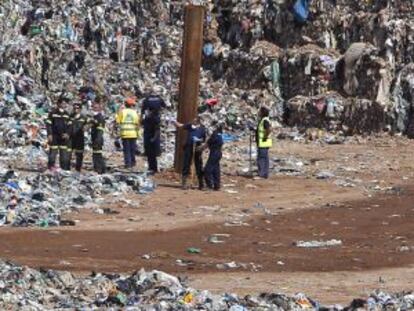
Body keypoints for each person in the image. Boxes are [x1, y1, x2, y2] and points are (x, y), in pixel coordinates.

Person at [173, 117, 206, 190]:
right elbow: (181, 125)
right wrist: (174, 121)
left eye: (194, 121)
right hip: (188, 147)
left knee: (199, 165)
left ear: (198, 122)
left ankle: (201, 183)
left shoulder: (202, 129)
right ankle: (184, 183)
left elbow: (204, 140)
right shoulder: (190, 126)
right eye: (193, 120)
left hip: (197, 148)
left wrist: (199, 140)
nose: (193, 122)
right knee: (186, 164)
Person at [46, 96, 71, 171]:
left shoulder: (67, 114)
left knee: (64, 155)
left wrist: (68, 134)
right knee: (52, 154)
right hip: (54, 136)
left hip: (63, 137)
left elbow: (70, 126)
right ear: (59, 104)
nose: (64, 104)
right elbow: (48, 124)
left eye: (65, 103)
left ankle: (63, 169)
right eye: (62, 103)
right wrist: (49, 134)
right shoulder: (53, 113)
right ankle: (51, 168)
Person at [116, 97, 140, 169]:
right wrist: (138, 133)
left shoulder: (122, 112)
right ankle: (133, 162)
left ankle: (128, 164)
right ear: (132, 105)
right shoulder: (134, 112)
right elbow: (137, 123)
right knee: (132, 149)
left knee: (126, 150)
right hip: (133, 134)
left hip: (125, 133)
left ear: (125, 104)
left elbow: (118, 122)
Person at [202, 121, 223, 190]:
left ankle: (209, 185)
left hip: (214, 153)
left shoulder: (215, 135)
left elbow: (207, 144)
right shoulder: (219, 135)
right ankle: (217, 185)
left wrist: (200, 148)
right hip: (218, 153)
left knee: (208, 169)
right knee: (216, 169)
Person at [142, 106, 161, 174]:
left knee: (152, 155)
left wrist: (154, 138)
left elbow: (157, 129)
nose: (148, 112)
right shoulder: (148, 118)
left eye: (149, 110)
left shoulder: (155, 118)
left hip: (151, 138)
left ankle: (154, 168)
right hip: (147, 138)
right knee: (149, 154)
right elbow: (142, 123)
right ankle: (150, 167)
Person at [70, 103, 88, 172]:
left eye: (77, 108)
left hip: (80, 138)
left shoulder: (83, 118)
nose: (75, 109)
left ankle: (78, 168)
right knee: (68, 153)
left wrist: (85, 128)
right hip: (71, 138)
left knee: (79, 154)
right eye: (74, 108)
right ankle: (67, 168)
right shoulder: (70, 117)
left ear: (80, 109)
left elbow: (87, 125)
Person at [256, 105, 272, 179]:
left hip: (263, 140)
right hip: (264, 140)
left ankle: (261, 174)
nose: (258, 112)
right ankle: (265, 173)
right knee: (265, 157)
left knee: (261, 157)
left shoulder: (265, 120)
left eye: (260, 111)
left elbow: (268, 129)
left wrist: (265, 137)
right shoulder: (264, 119)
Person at [90, 101, 106, 174]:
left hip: (97, 139)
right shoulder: (94, 117)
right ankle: (100, 169)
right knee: (96, 153)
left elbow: (100, 130)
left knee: (97, 154)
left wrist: (97, 140)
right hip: (95, 138)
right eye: (93, 107)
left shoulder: (100, 117)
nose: (94, 109)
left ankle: (99, 169)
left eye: (96, 108)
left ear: (99, 109)